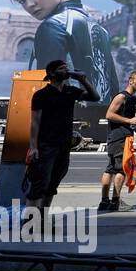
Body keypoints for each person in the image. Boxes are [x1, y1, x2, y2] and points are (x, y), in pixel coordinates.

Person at [7, 0, 120, 103]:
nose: (29, 4)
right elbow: (113, 84)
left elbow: (48, 90)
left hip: (65, 118)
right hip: (101, 117)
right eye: (22, 1)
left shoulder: (53, 25)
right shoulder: (97, 26)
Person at [26, 60, 101, 214]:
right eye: (62, 68)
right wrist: (33, 147)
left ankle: (42, 220)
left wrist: (82, 79)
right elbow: (35, 122)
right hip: (46, 145)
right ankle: (29, 221)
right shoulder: (41, 95)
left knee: (52, 185)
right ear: (52, 73)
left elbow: (95, 97)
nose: (66, 70)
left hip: (64, 145)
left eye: (67, 67)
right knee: (40, 184)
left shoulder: (70, 91)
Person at [101, 70, 136, 212]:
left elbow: (132, 121)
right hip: (118, 137)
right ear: (130, 81)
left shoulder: (132, 99)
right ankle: (115, 201)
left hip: (122, 136)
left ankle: (105, 202)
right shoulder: (121, 96)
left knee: (111, 168)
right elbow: (109, 114)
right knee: (120, 169)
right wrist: (129, 121)